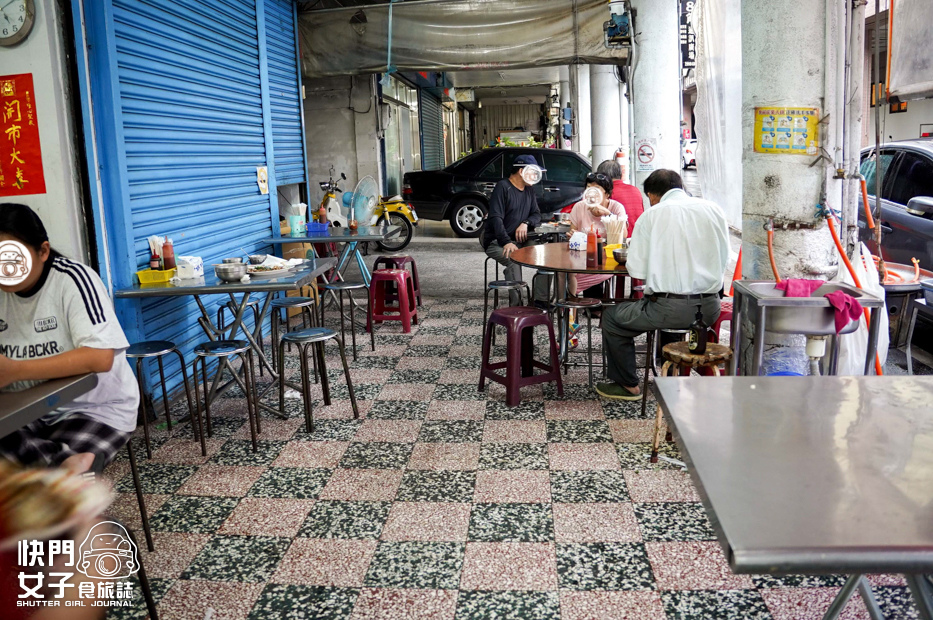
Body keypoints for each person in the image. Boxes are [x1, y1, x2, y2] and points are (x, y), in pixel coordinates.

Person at [0, 204, 139, 473]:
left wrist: (15, 371)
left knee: (44, 484)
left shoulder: (73, 279)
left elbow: (99, 357)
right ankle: (65, 463)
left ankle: (64, 471)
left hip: (94, 408)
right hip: (26, 409)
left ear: (42, 251)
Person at [596, 170, 730, 400]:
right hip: (709, 309)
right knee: (665, 314)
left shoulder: (652, 215)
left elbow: (636, 270)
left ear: (652, 195)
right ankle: (671, 375)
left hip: (668, 309)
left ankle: (628, 385)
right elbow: (724, 257)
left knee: (612, 318)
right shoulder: (713, 210)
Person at [481, 154, 547, 304]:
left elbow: (536, 214)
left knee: (545, 256)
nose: (535, 176)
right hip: (497, 242)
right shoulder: (503, 187)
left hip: (522, 240)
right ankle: (518, 305)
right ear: (521, 171)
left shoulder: (529, 190)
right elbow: (495, 218)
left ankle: (540, 300)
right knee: (514, 259)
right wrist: (505, 242)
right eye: (533, 171)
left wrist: (526, 222)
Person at [566, 172, 627, 296]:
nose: (592, 193)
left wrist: (607, 213)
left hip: (607, 258)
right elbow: (573, 233)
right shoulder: (579, 207)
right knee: (565, 271)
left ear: (607, 194)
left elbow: (624, 234)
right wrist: (574, 236)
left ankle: (593, 305)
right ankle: (571, 306)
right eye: (589, 188)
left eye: (597, 189)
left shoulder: (616, 207)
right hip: (584, 257)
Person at [596, 160, 644, 229]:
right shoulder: (635, 190)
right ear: (620, 174)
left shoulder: (607, 193)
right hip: (637, 234)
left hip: (620, 235)